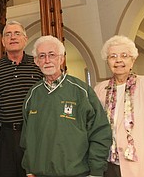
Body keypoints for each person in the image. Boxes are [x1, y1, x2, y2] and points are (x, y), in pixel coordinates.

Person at [20, 35, 112, 177]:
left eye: (52, 55)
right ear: (36, 61)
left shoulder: (82, 91)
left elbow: (100, 132)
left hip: (77, 173)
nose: (47, 60)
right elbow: (27, 137)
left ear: (61, 59)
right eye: (42, 56)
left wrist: (96, 171)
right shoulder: (33, 94)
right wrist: (30, 168)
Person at [94, 35, 144, 177]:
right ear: (107, 61)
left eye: (124, 55)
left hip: (142, 166)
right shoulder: (99, 89)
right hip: (107, 166)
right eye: (113, 56)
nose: (118, 60)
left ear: (133, 60)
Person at [0, 20, 43, 177]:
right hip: (3, 136)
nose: (13, 37)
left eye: (17, 33)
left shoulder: (37, 65)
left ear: (25, 39)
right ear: (3, 41)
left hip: (33, 134)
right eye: (8, 34)